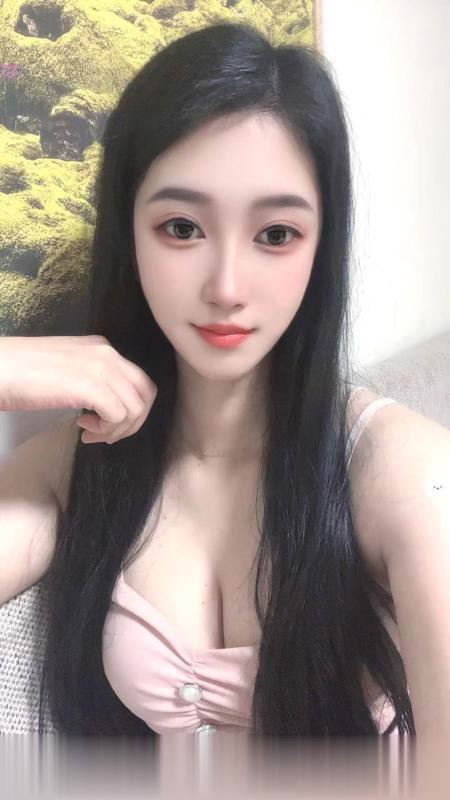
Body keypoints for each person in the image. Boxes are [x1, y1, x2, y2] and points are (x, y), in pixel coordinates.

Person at [0, 21, 417, 737]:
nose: (226, 288)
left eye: (276, 234)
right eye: (182, 228)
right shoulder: (78, 466)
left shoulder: (390, 465)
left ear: (322, 243)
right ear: (129, 232)